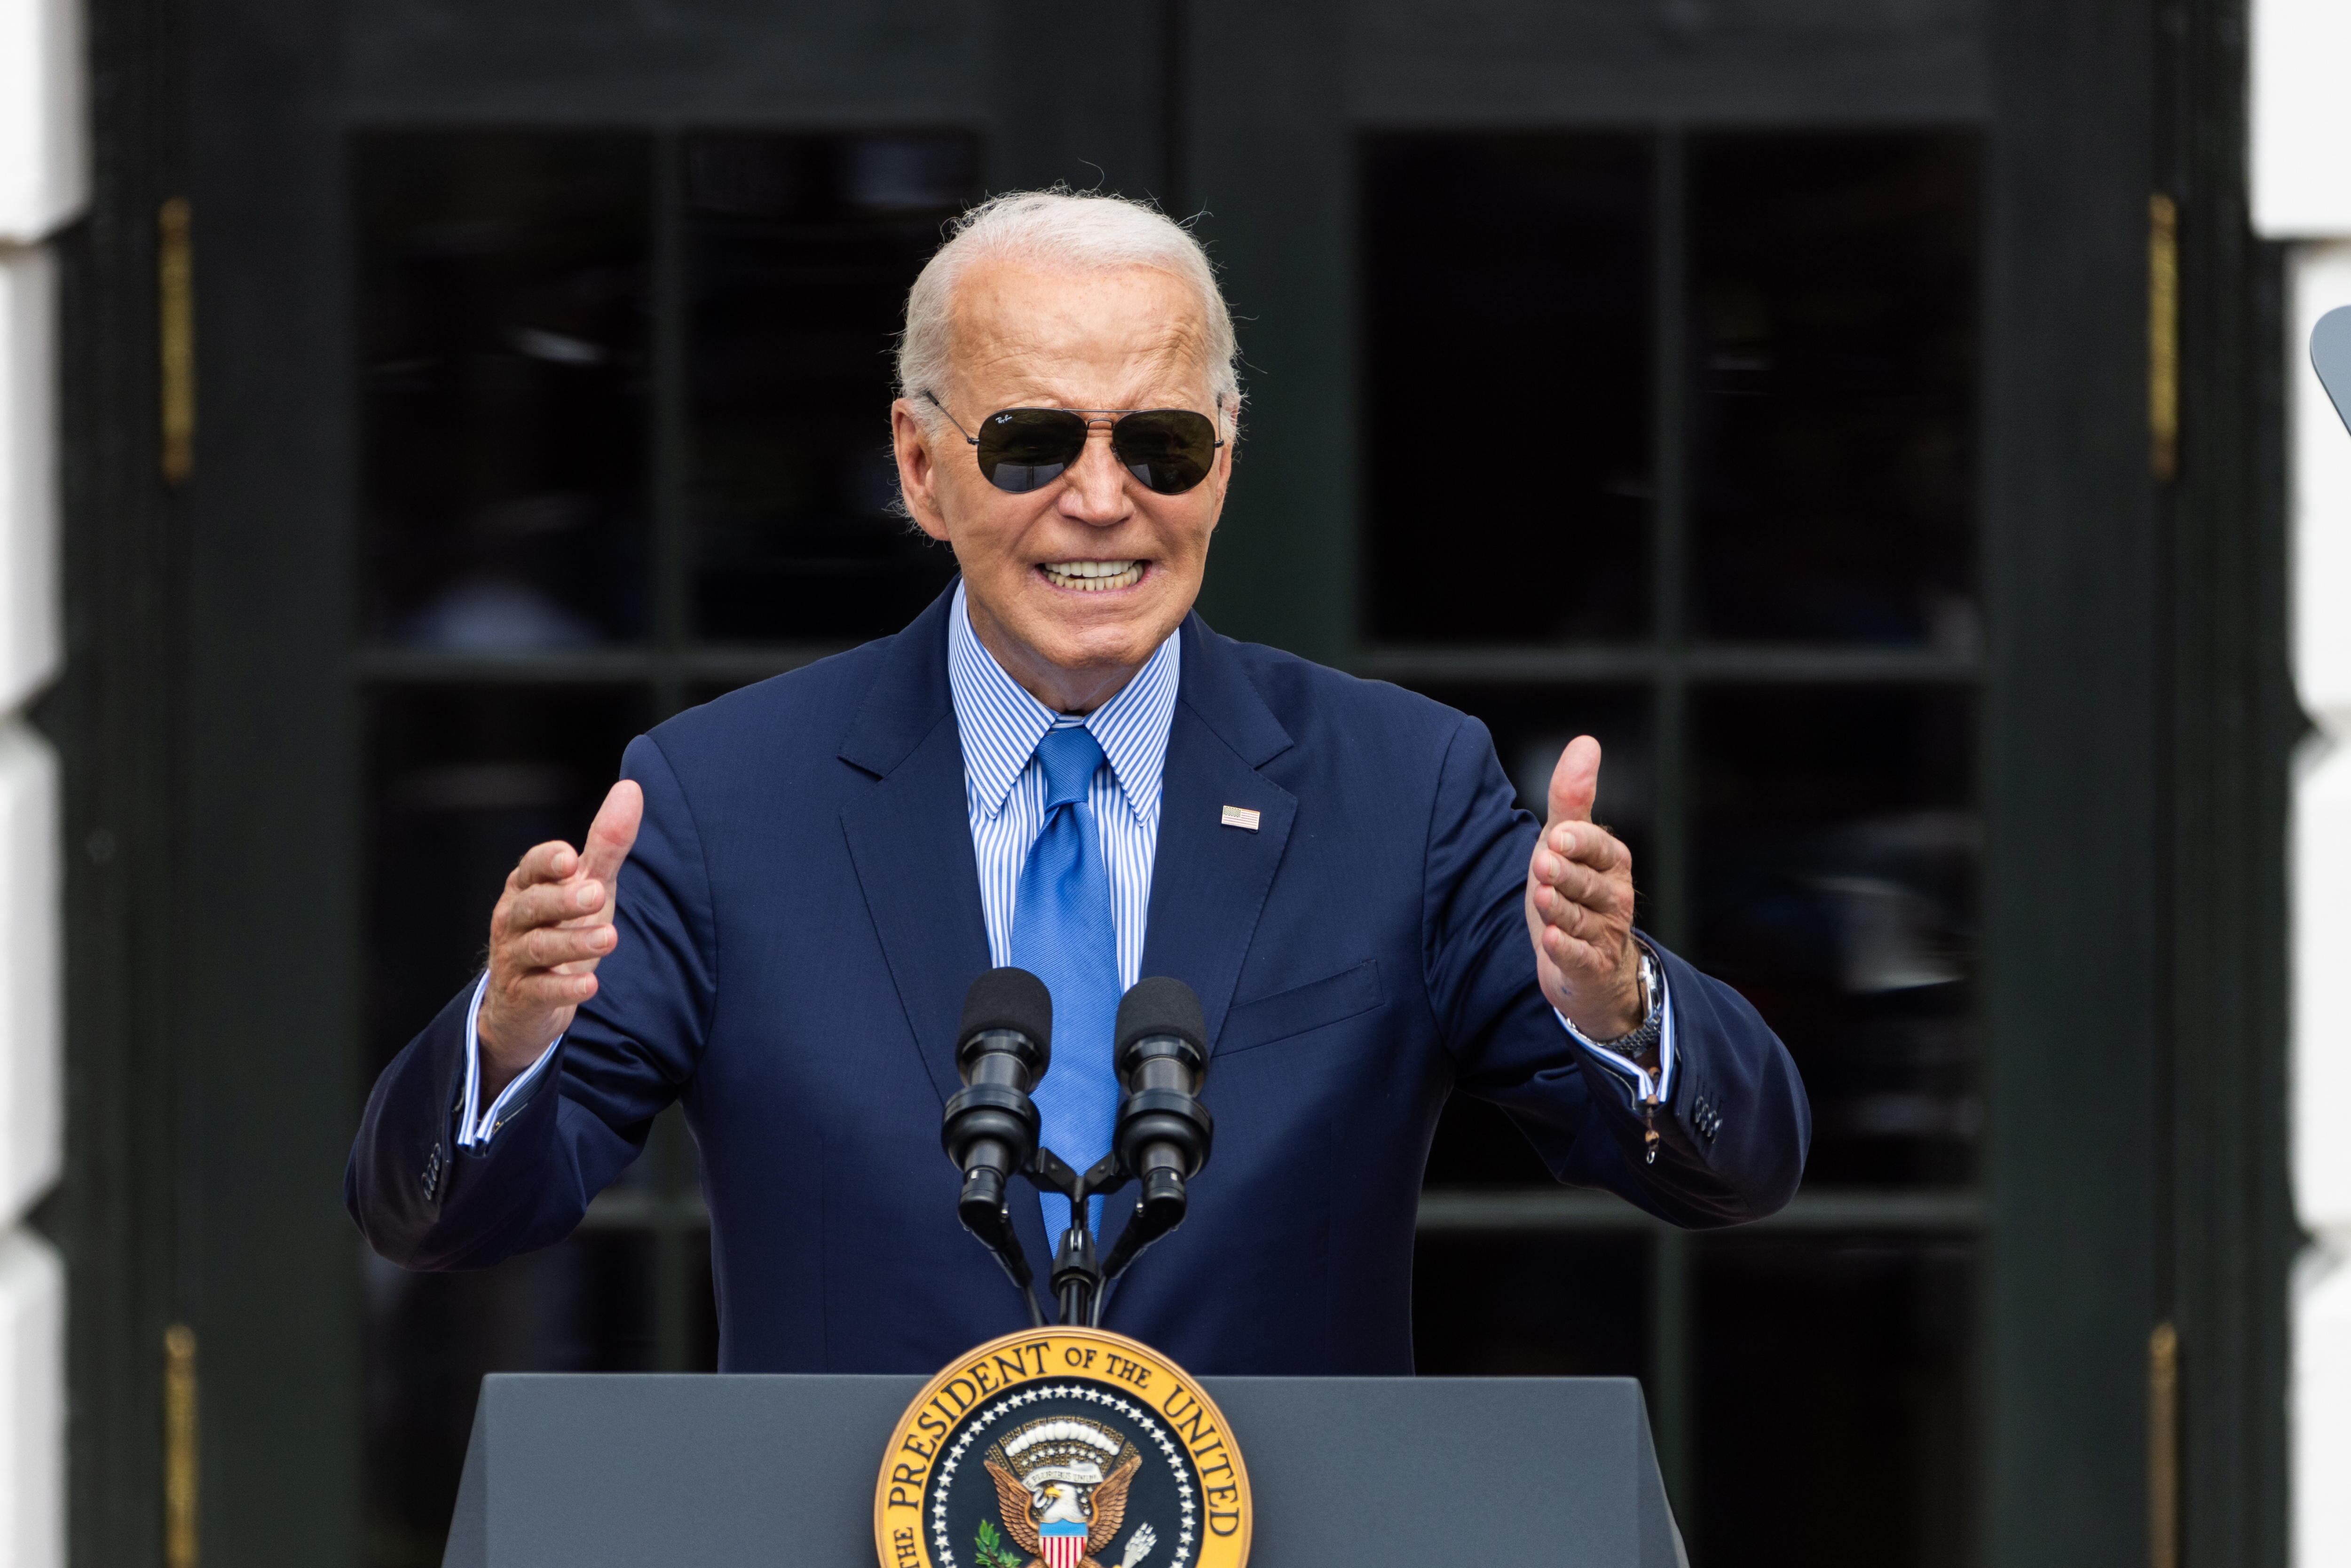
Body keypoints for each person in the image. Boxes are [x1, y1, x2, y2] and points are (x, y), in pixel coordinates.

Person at [347, 189, 1809, 1376]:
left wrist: (1621, 1009)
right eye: (1034, 440)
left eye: (1160, 443)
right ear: (922, 470)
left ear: (1223, 465)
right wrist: (507, 1039)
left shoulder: (1399, 789)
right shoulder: (729, 801)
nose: (1102, 498)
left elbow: (1730, 1170)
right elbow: (452, 1215)